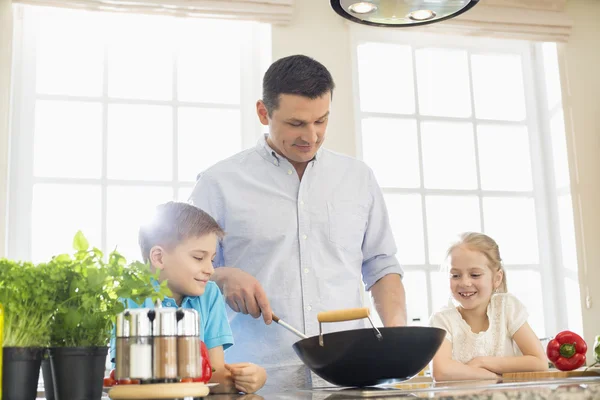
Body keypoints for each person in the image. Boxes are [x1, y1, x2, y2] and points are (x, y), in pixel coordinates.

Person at [189, 54, 407, 387]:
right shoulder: (218, 183)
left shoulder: (358, 178)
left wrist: (397, 337)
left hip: (352, 377)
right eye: (296, 124)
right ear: (264, 112)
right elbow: (179, 277)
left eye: (322, 121)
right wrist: (221, 276)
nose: (312, 135)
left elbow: (381, 265)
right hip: (257, 380)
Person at [109, 202, 267, 394]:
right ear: (159, 258)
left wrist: (253, 377)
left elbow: (215, 373)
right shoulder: (129, 298)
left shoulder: (210, 295)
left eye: (212, 259)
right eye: (199, 258)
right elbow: (129, 373)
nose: (210, 269)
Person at [429, 232, 548, 381]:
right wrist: (494, 378)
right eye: (455, 275)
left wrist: (482, 362)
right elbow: (441, 371)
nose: (465, 283)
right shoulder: (442, 319)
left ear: (496, 279)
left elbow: (539, 362)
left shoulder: (506, 307)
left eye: (475, 275)